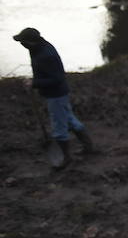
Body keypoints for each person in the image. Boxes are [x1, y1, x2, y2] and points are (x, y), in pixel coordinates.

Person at [14, 27, 94, 169]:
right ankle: (88, 146)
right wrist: (35, 81)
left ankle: (65, 158)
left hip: (56, 95)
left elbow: (57, 78)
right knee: (69, 119)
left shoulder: (46, 55)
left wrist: (35, 83)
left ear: (30, 42)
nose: (22, 45)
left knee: (59, 126)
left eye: (23, 42)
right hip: (57, 94)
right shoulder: (38, 49)